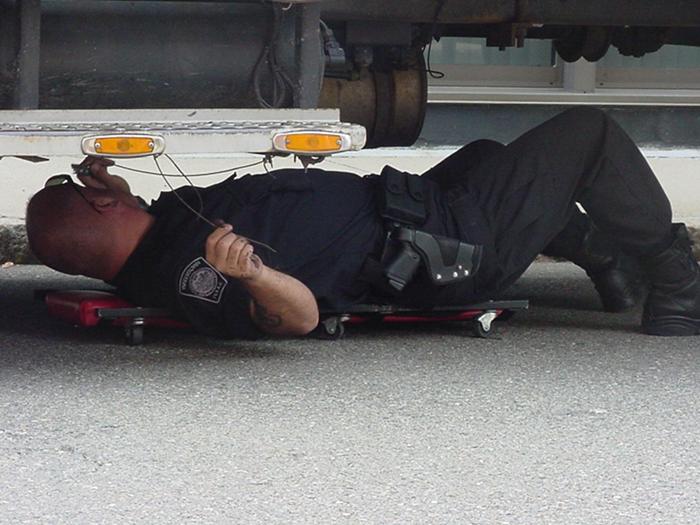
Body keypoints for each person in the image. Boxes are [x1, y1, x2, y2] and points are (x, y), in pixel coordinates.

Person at [26, 107, 700, 338]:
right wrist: (257, 275)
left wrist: (117, 185)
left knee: (487, 157)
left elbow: (138, 217)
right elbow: (295, 319)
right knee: (587, 134)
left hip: (414, 208)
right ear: (99, 209)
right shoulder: (195, 273)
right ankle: (676, 282)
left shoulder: (155, 236)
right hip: (443, 245)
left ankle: (608, 266)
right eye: (84, 188)